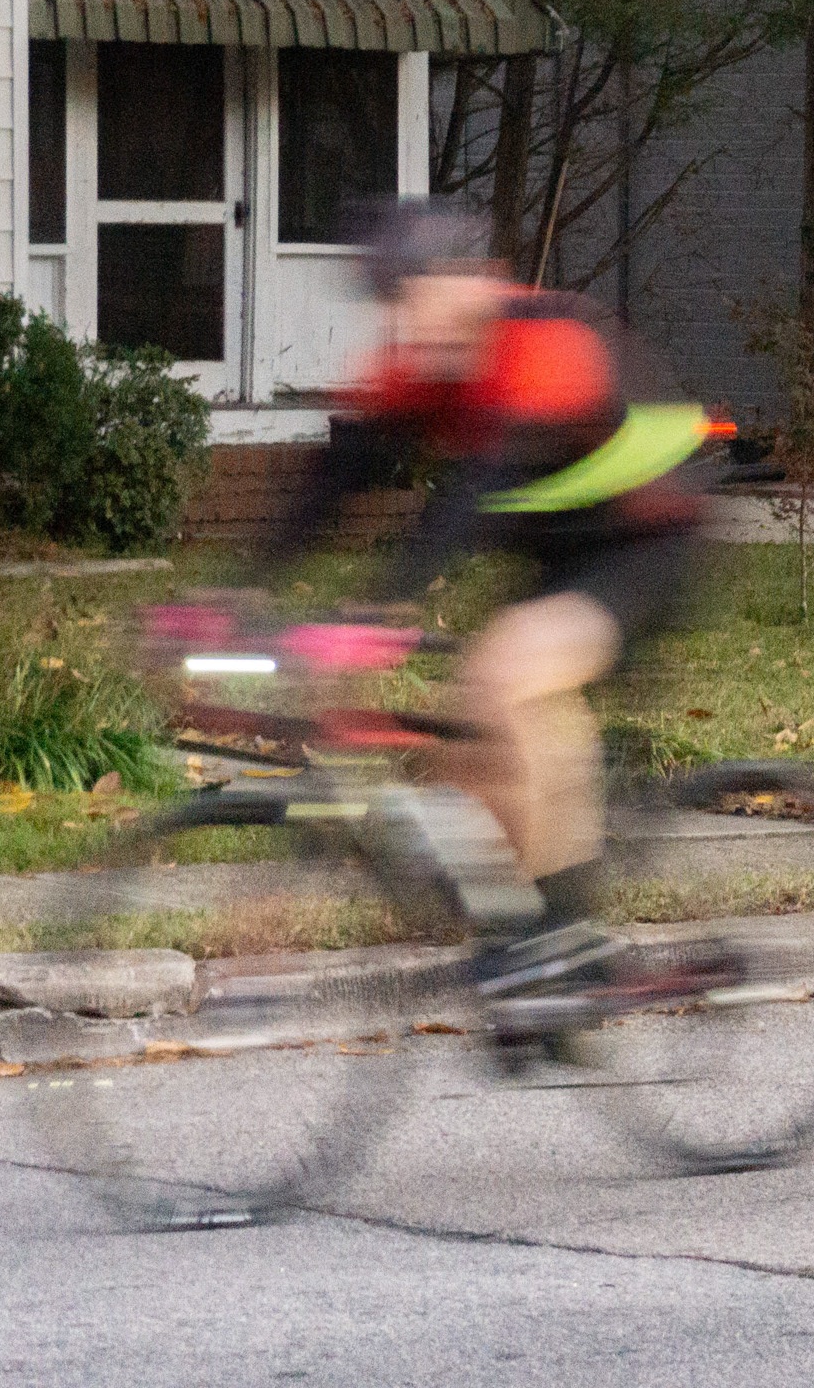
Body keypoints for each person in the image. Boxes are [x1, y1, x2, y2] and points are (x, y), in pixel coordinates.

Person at [254, 198, 718, 999]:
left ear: (474, 282)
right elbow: (333, 481)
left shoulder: (544, 341)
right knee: (470, 741)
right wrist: (238, 588)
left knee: (507, 676)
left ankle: (560, 942)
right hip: (560, 553)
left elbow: (472, 492)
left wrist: (379, 611)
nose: (405, 321)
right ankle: (524, 933)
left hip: (649, 542)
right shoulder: (422, 361)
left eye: (415, 296)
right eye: (391, 304)